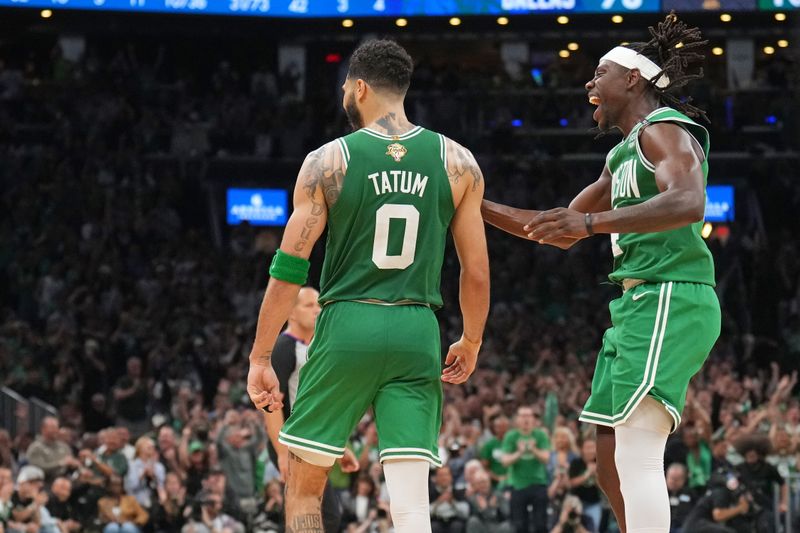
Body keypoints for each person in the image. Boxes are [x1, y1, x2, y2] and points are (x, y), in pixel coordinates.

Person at [481, 13, 721, 532]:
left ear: (632, 78)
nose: (589, 83)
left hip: (669, 295)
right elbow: (555, 228)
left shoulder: (664, 130)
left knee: (636, 450)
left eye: (599, 72)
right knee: (609, 456)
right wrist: (471, 201)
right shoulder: (621, 156)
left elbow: (689, 200)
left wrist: (591, 221)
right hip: (635, 304)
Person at [246, 39, 490, 533]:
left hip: (347, 323)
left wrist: (259, 356)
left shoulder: (327, 162)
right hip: (419, 327)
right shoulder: (458, 161)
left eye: (344, 88)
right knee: (409, 497)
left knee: (304, 484)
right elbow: (477, 271)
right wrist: (471, 338)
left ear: (359, 87)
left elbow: (289, 268)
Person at [262, 286, 357, 532]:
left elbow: (318, 405)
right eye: (308, 305)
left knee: (321, 516)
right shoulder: (284, 347)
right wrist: (282, 452)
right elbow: (270, 405)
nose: (317, 310)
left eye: (318, 305)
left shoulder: (319, 346)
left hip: (312, 439)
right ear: (291, 312)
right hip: (291, 440)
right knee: (318, 516)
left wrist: (339, 447)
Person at [500, 406, 550, 533]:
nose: (525, 419)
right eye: (522, 416)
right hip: (518, 485)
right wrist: (519, 452)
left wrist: (533, 449)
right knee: (519, 525)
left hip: (538, 483)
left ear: (533, 419)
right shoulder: (511, 436)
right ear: (517, 419)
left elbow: (546, 458)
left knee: (540, 525)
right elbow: (505, 461)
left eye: (528, 416)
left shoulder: (540, 435)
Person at [25, 417, 73, 482]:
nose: (55, 430)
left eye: (57, 427)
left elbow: (70, 463)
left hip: (64, 481)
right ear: (43, 429)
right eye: (52, 427)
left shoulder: (64, 446)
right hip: (45, 483)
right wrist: (60, 463)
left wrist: (75, 464)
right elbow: (38, 468)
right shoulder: (36, 448)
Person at [665, 463, 694, 533]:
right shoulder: (660, 493)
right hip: (663, 526)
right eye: (671, 478)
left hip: (683, 527)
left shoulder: (690, 493)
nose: (673, 482)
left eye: (676, 479)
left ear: (683, 479)